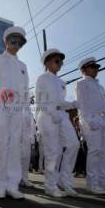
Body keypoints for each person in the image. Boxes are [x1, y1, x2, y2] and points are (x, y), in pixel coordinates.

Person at [0, 26, 28, 199]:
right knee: (1, 145)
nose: (16, 44)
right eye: (13, 41)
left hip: (17, 109)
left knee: (14, 148)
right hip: (0, 107)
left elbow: (26, 90)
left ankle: (12, 184)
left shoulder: (22, 65)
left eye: (20, 42)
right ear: (6, 41)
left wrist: (24, 111)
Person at [35, 48, 79, 197]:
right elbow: (40, 101)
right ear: (47, 63)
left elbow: (61, 102)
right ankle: (50, 185)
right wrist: (53, 113)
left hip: (62, 115)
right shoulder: (42, 78)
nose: (60, 64)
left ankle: (64, 181)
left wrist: (72, 104)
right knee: (53, 152)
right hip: (47, 116)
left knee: (74, 144)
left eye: (61, 61)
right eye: (56, 60)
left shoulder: (61, 82)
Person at [75, 57, 105, 194]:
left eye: (96, 67)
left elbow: (104, 103)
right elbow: (81, 103)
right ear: (84, 69)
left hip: (103, 120)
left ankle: (104, 182)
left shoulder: (99, 86)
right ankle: (92, 183)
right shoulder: (82, 83)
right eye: (93, 67)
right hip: (91, 119)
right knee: (95, 151)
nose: (96, 69)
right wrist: (88, 120)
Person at [20, 111, 36, 187]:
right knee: (18, 158)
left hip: (26, 137)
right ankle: (17, 178)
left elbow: (32, 125)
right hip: (17, 136)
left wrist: (32, 138)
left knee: (26, 158)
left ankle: (24, 178)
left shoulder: (28, 111)